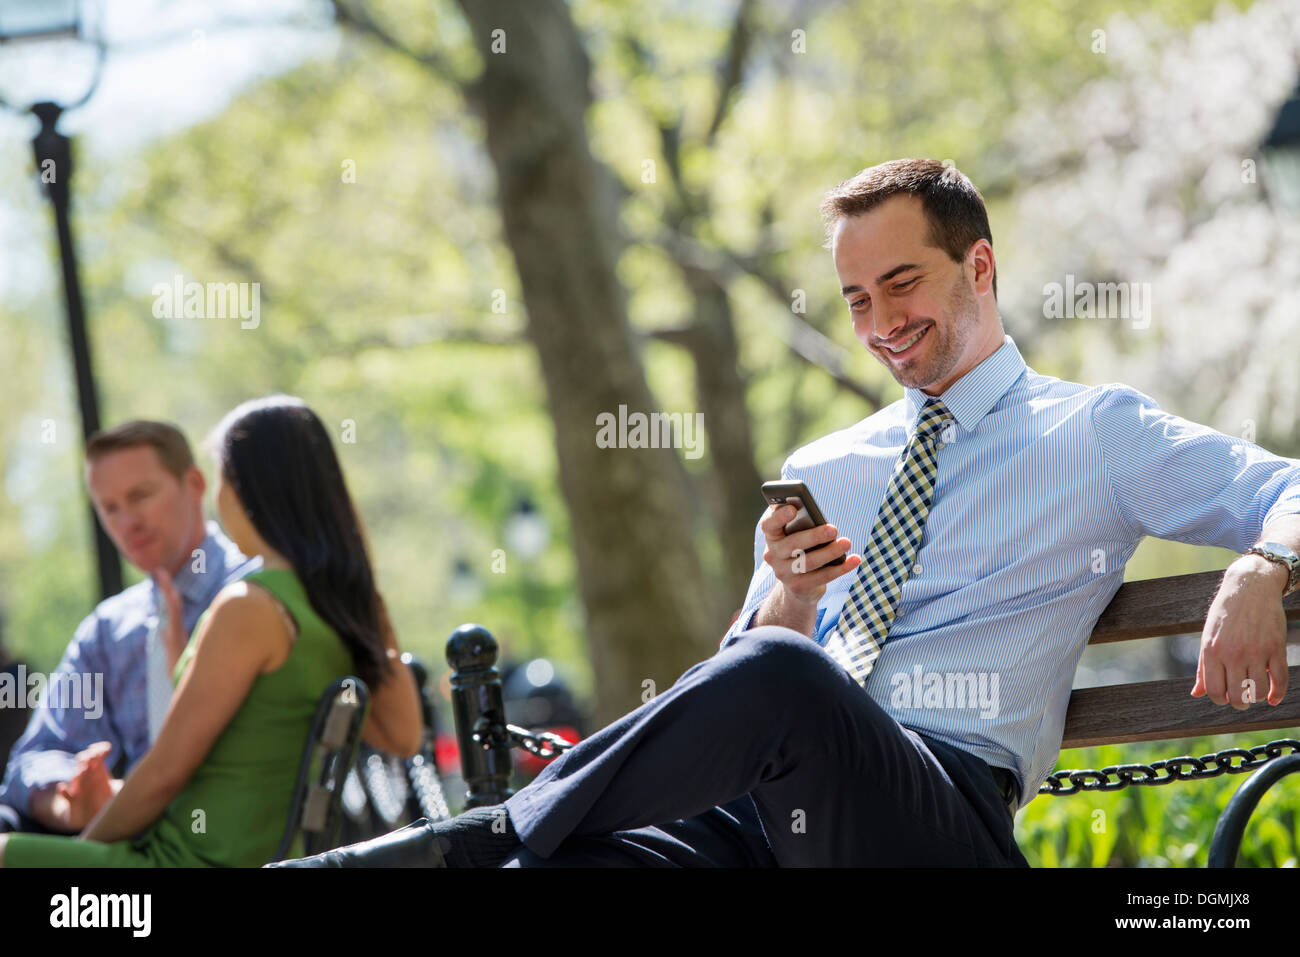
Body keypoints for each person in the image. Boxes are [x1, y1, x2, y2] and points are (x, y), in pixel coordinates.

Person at [275, 158, 1300, 869]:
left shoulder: (1094, 433)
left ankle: (484, 828)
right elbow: (743, 682)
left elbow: (1288, 490)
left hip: (933, 817)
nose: (881, 324)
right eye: (855, 300)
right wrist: (795, 595)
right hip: (761, 821)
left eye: (901, 284)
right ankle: (498, 846)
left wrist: (1260, 565)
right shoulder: (827, 464)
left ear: (978, 267)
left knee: (779, 679)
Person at [0, 396, 422, 866]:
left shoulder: (247, 605)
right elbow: (404, 737)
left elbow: (164, 775)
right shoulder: (345, 601)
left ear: (244, 490)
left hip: (184, 858)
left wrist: (75, 862)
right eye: (110, 508)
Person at [0, 421, 260, 835]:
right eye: (109, 508)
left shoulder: (255, 596)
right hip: (123, 840)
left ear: (194, 484)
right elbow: (34, 757)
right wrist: (73, 803)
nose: (126, 523)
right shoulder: (110, 629)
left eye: (140, 496)